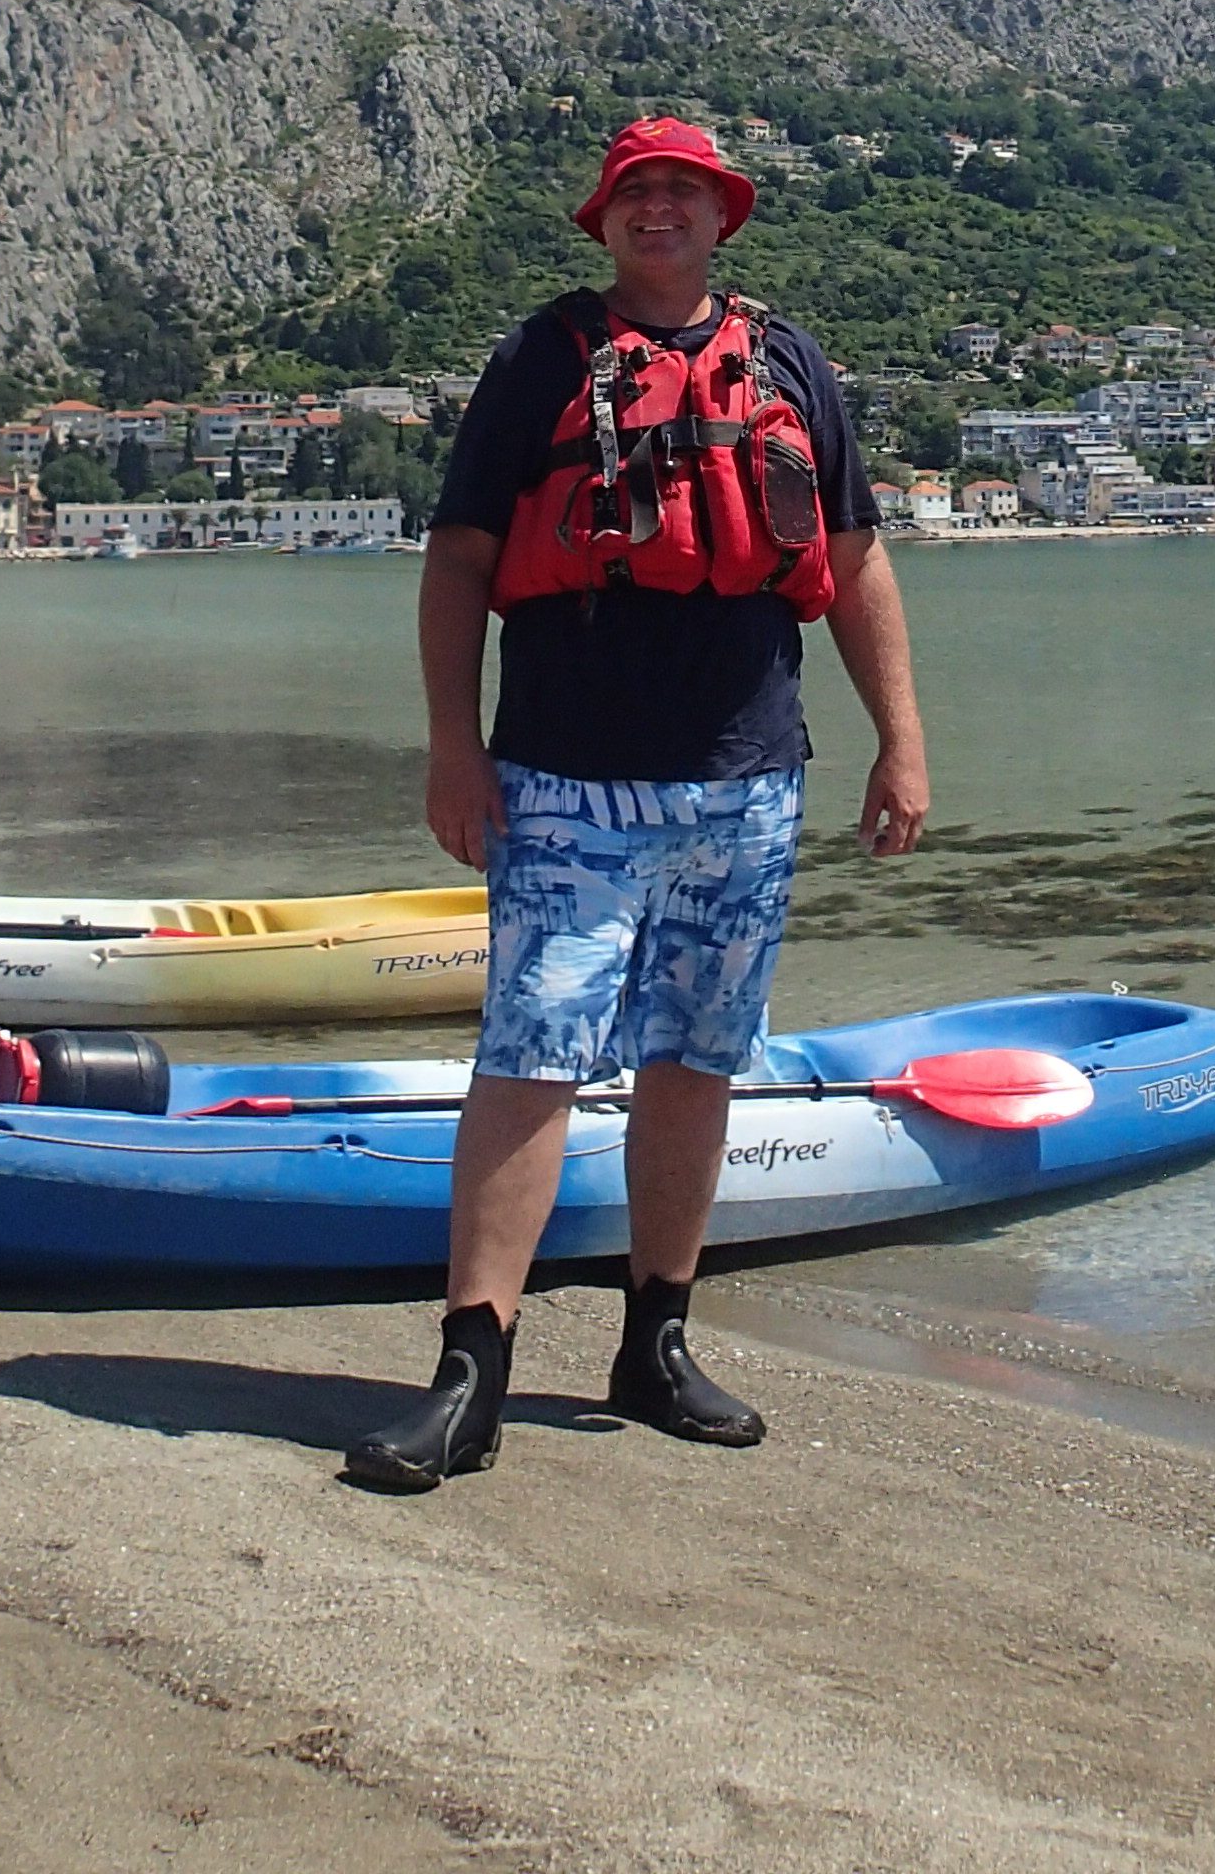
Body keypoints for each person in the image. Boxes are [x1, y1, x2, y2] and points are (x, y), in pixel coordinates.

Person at [345, 115, 927, 1494]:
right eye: (635, 196)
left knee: (697, 1061)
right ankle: (470, 1370)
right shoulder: (538, 362)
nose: (659, 214)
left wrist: (899, 743)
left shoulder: (791, 366)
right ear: (605, 220)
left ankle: (654, 1343)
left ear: (724, 217)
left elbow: (853, 562)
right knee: (532, 1056)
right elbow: (461, 565)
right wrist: (452, 747)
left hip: (747, 785)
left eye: (684, 195)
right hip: (564, 777)